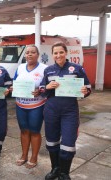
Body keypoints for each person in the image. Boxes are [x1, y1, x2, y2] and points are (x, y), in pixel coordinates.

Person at [41, 42, 91, 180]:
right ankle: (55, 169)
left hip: (70, 111)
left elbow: (87, 88)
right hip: (51, 110)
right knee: (52, 141)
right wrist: (48, 86)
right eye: (55, 53)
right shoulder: (48, 70)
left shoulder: (77, 68)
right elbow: (41, 90)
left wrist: (84, 91)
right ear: (52, 55)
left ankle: (64, 173)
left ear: (66, 53)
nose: (58, 55)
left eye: (61, 52)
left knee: (68, 143)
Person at [13, 45, 47, 169]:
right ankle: (24, 155)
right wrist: (13, 88)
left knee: (34, 131)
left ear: (38, 55)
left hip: (36, 105)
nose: (30, 54)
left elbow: (47, 87)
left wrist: (41, 91)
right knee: (24, 130)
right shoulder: (20, 67)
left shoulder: (44, 69)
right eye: (27, 53)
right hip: (20, 105)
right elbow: (15, 82)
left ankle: (34, 157)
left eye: (33, 52)